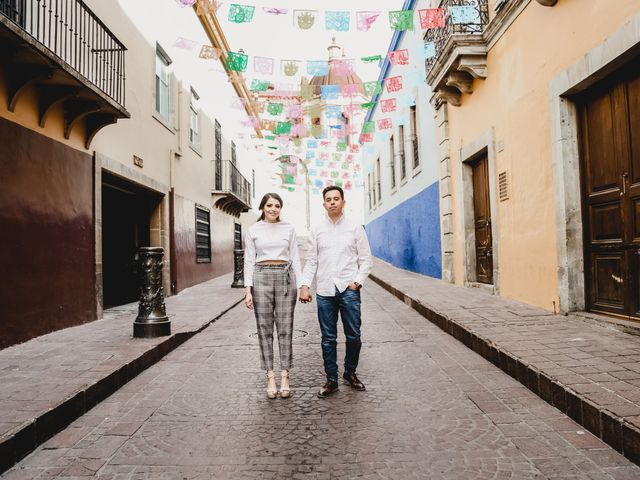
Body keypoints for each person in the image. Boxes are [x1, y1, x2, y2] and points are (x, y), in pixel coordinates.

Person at [299, 185, 372, 398]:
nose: (332, 202)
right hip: (324, 291)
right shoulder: (317, 230)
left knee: (354, 335)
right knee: (328, 338)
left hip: (349, 290)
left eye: (336, 198)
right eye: (328, 199)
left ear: (343, 202)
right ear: (324, 204)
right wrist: (305, 285)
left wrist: (357, 283)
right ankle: (331, 379)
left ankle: (350, 372)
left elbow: (366, 259)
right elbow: (312, 260)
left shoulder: (355, 228)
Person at [244, 193, 303, 399]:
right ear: (262, 207)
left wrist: (302, 284)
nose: (273, 209)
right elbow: (249, 260)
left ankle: (285, 375)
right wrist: (247, 290)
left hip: (285, 277)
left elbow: (295, 256)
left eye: (277, 205)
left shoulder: (289, 228)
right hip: (261, 278)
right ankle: (270, 376)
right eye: (269, 205)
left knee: (285, 328)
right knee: (264, 329)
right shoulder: (253, 230)